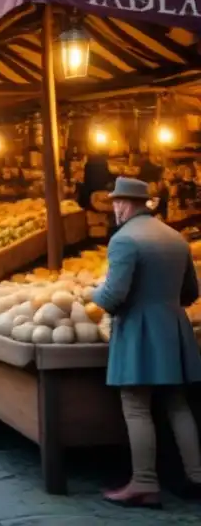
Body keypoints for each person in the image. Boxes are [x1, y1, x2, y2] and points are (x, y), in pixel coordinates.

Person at [92, 177, 201, 508]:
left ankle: (144, 482)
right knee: (177, 404)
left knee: (136, 406)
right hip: (173, 328)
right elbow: (191, 294)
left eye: (115, 203)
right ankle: (197, 476)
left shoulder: (124, 240)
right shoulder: (175, 238)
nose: (114, 209)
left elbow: (113, 297)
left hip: (139, 332)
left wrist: (91, 292)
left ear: (125, 204)